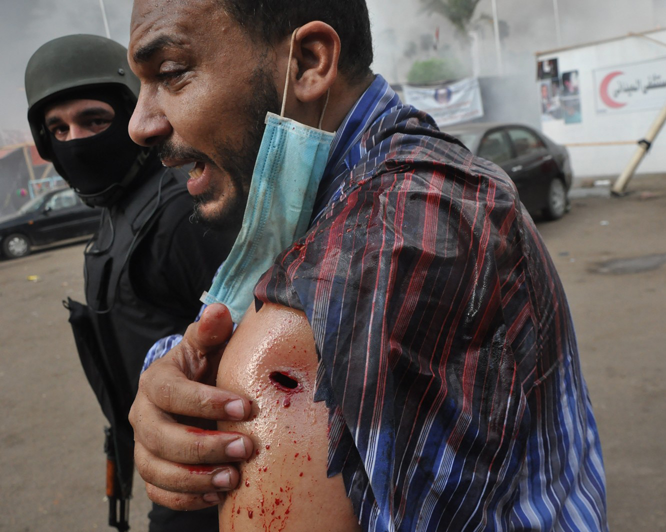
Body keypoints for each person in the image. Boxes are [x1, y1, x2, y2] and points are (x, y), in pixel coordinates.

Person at [127, 1, 608, 530]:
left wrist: (244, 365)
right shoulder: (408, 169)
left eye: (171, 74)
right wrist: (170, 372)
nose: (140, 124)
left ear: (310, 62)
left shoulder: (379, 244)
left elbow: (281, 372)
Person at [24, 34, 234, 532]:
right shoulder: (118, 213)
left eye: (94, 120)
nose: (76, 140)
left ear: (130, 112)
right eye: (58, 129)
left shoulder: (184, 210)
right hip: (165, 465)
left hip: (214, 484)